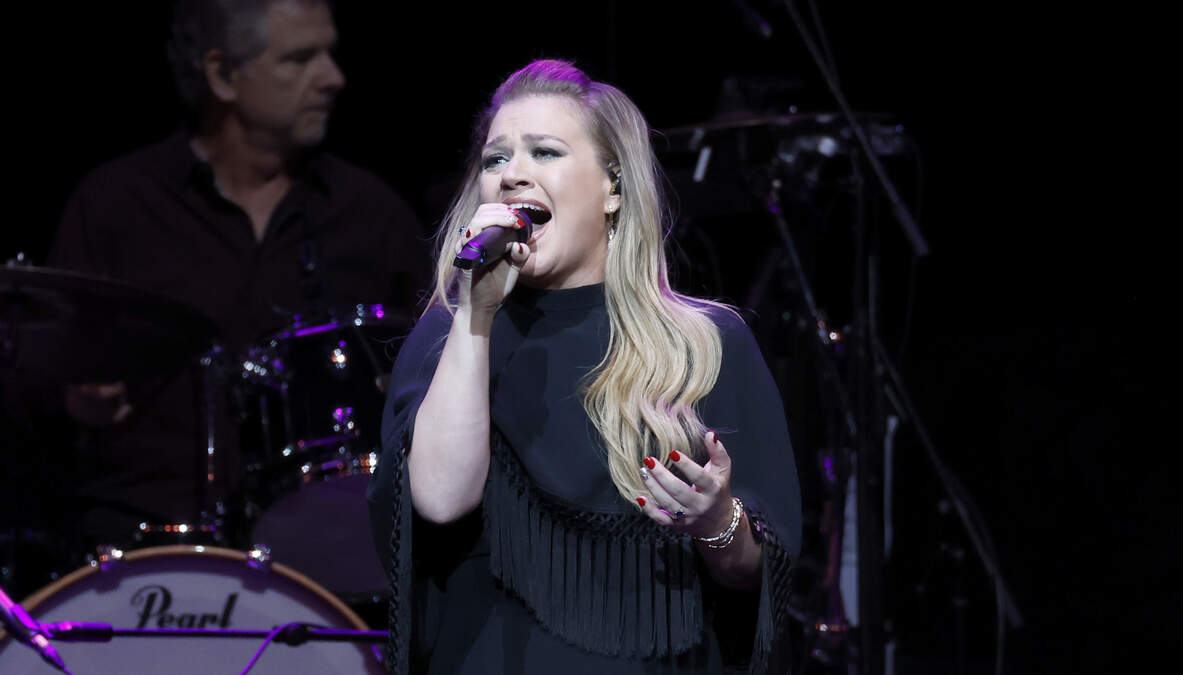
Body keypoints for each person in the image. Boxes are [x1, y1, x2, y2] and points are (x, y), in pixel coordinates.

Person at [367, 60, 803, 674]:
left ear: (612, 189)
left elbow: (757, 576)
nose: (512, 175)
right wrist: (475, 315)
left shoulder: (704, 343)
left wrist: (716, 522)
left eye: (544, 152)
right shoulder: (450, 331)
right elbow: (439, 502)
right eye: (495, 159)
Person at [45, 0, 428, 564]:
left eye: (329, 53)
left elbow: (441, 367)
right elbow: (36, 388)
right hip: (140, 553)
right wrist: (75, 401)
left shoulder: (371, 214)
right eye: (300, 58)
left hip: (327, 552)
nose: (333, 78)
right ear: (223, 75)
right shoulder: (116, 206)